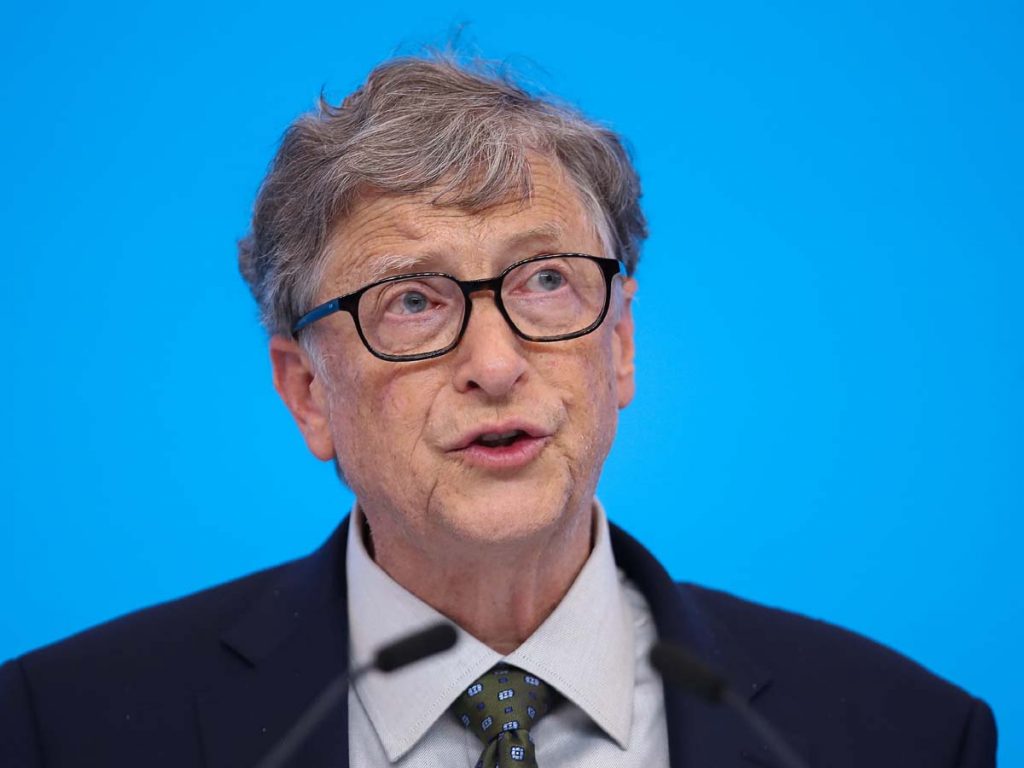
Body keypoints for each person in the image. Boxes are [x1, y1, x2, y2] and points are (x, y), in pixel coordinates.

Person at [0, 55, 996, 768]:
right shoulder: (59, 727)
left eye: (547, 281)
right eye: (412, 300)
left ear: (620, 345)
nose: (494, 363)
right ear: (306, 392)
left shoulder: (905, 733)